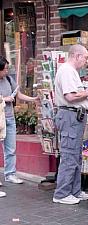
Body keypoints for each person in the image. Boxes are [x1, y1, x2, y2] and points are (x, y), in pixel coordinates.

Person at [53, 44, 88, 205]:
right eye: (85, 57)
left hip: (74, 117)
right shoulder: (67, 70)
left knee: (75, 155)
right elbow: (70, 96)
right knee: (69, 155)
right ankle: (62, 193)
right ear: (76, 56)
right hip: (70, 115)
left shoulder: (70, 71)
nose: (86, 60)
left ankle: (74, 190)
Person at [0, 56, 38, 190]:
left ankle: (10, 174)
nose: (6, 71)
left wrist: (34, 99)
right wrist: (5, 99)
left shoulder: (9, 79)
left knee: (11, 148)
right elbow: (7, 98)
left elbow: (18, 95)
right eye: (4, 69)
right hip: (0, 119)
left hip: (9, 117)